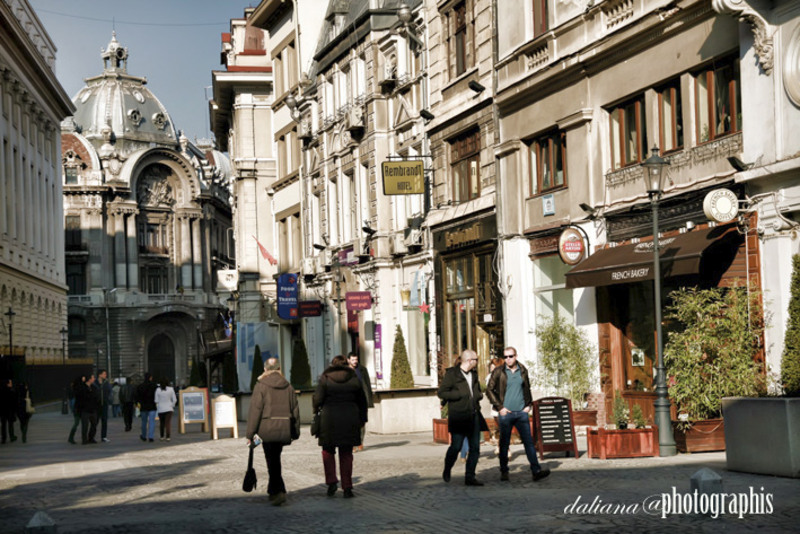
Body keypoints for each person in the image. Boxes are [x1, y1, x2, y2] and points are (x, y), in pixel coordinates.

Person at [486, 346, 550, 482]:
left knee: (529, 443)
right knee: (504, 444)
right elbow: (489, 390)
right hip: (505, 414)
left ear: (516, 356)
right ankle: (504, 471)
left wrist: (528, 405)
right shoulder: (499, 371)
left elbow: (527, 388)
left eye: (511, 356)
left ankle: (536, 470)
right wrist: (500, 407)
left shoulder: (523, 370)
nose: (508, 359)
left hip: (521, 413)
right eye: (506, 357)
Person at [246, 357, 300, 506]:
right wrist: (295, 431)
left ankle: (279, 491)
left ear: (265, 369)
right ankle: (273, 490)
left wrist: (250, 434)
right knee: (275, 459)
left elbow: (255, 411)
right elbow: (295, 409)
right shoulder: (288, 386)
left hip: (267, 429)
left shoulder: (261, 385)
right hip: (284, 427)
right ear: (279, 369)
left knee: (272, 460)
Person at [313, 355, 367, 498]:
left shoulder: (325, 377)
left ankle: (331, 483)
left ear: (332, 364)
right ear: (346, 363)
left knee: (328, 452)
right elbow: (362, 400)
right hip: (349, 418)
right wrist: (362, 419)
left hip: (328, 419)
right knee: (346, 453)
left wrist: (316, 410)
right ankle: (347, 486)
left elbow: (317, 398)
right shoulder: (353, 377)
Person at [438, 349, 486, 486]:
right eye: (476, 360)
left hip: (474, 414)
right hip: (459, 416)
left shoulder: (474, 374)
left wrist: (478, 396)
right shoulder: (452, 374)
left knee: (475, 448)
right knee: (456, 446)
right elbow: (442, 392)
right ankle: (447, 469)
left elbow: (476, 391)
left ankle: (470, 476)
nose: (477, 362)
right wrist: (457, 396)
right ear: (470, 360)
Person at [347, 352, 373, 451]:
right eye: (353, 360)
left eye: (356, 360)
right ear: (348, 360)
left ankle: (360, 442)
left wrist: (369, 399)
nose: (355, 362)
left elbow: (367, 384)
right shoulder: (346, 371)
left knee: (362, 422)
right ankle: (353, 443)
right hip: (350, 401)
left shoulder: (362, 370)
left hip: (361, 400)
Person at [76, 374, 100, 444]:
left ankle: (91, 438)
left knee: (94, 424)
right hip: (85, 410)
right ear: (89, 379)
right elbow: (80, 399)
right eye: (93, 378)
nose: (94, 379)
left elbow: (97, 397)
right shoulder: (82, 388)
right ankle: (84, 439)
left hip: (93, 409)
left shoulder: (94, 387)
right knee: (85, 426)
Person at [136, 372, 158, 442]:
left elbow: (137, 397)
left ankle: (143, 435)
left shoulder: (140, 386)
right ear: (150, 377)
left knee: (144, 422)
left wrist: (138, 403)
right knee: (151, 422)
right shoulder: (154, 386)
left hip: (143, 406)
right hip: (152, 406)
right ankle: (151, 437)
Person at [68, 375, 85, 444]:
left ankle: (71, 437)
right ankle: (71, 437)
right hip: (78, 409)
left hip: (77, 409)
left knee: (77, 423)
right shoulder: (78, 389)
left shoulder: (74, 389)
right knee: (77, 423)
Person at [97, 369, 112, 442]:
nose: (105, 375)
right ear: (99, 375)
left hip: (105, 404)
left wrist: (107, 399)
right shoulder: (95, 382)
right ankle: (91, 436)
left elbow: (109, 391)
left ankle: (104, 436)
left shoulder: (106, 383)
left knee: (104, 421)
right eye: (104, 374)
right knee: (95, 421)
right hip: (97, 405)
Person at [0, 378, 17, 444]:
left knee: (3, 425)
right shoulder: (11, 391)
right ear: (8, 384)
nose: (11, 384)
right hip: (10, 410)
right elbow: (14, 402)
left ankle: (3, 438)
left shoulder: (1, 391)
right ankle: (12, 437)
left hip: (2, 410)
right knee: (10, 424)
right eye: (10, 383)